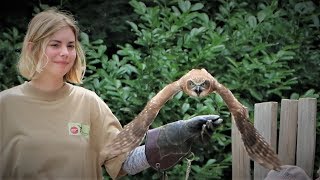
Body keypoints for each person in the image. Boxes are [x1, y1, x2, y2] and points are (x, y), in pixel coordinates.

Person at [0, 8, 222, 179]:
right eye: (55, 44)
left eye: (70, 45)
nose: (65, 53)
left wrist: (174, 137)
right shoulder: (6, 105)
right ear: (32, 48)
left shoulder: (88, 103)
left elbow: (122, 162)